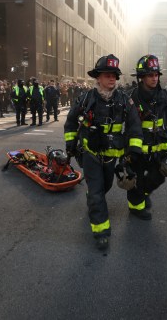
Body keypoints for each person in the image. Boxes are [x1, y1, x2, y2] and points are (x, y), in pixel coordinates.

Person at [64, 54, 143, 251]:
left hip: (112, 156)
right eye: (107, 75)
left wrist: (133, 151)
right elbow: (71, 122)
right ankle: (101, 231)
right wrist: (70, 144)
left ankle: (94, 196)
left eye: (115, 75)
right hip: (90, 154)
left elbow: (134, 126)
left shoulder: (125, 100)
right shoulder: (85, 99)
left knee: (104, 186)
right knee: (97, 192)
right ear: (98, 77)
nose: (112, 79)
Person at [127, 54, 167, 220]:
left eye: (156, 75)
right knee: (136, 179)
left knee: (159, 176)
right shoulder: (133, 97)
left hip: (159, 146)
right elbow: (130, 125)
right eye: (150, 75)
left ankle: (143, 193)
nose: (154, 78)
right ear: (141, 78)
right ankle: (136, 207)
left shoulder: (163, 95)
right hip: (138, 148)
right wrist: (131, 151)